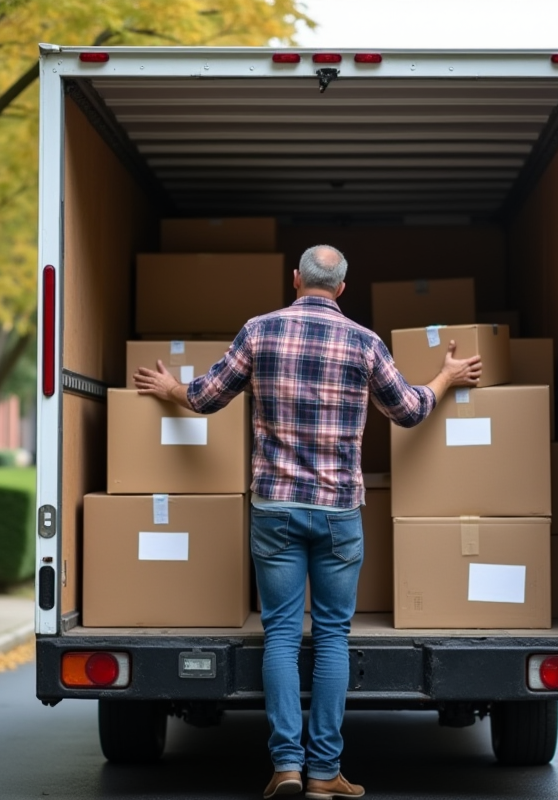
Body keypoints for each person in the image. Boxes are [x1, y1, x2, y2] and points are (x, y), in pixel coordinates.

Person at [133, 244, 481, 799]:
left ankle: (286, 766)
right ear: (342, 287)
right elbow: (411, 411)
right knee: (333, 636)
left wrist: (168, 387)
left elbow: (204, 398)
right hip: (339, 511)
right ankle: (324, 772)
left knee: (280, 636)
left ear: (295, 279)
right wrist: (446, 376)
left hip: (275, 508)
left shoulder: (259, 331)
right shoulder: (364, 342)